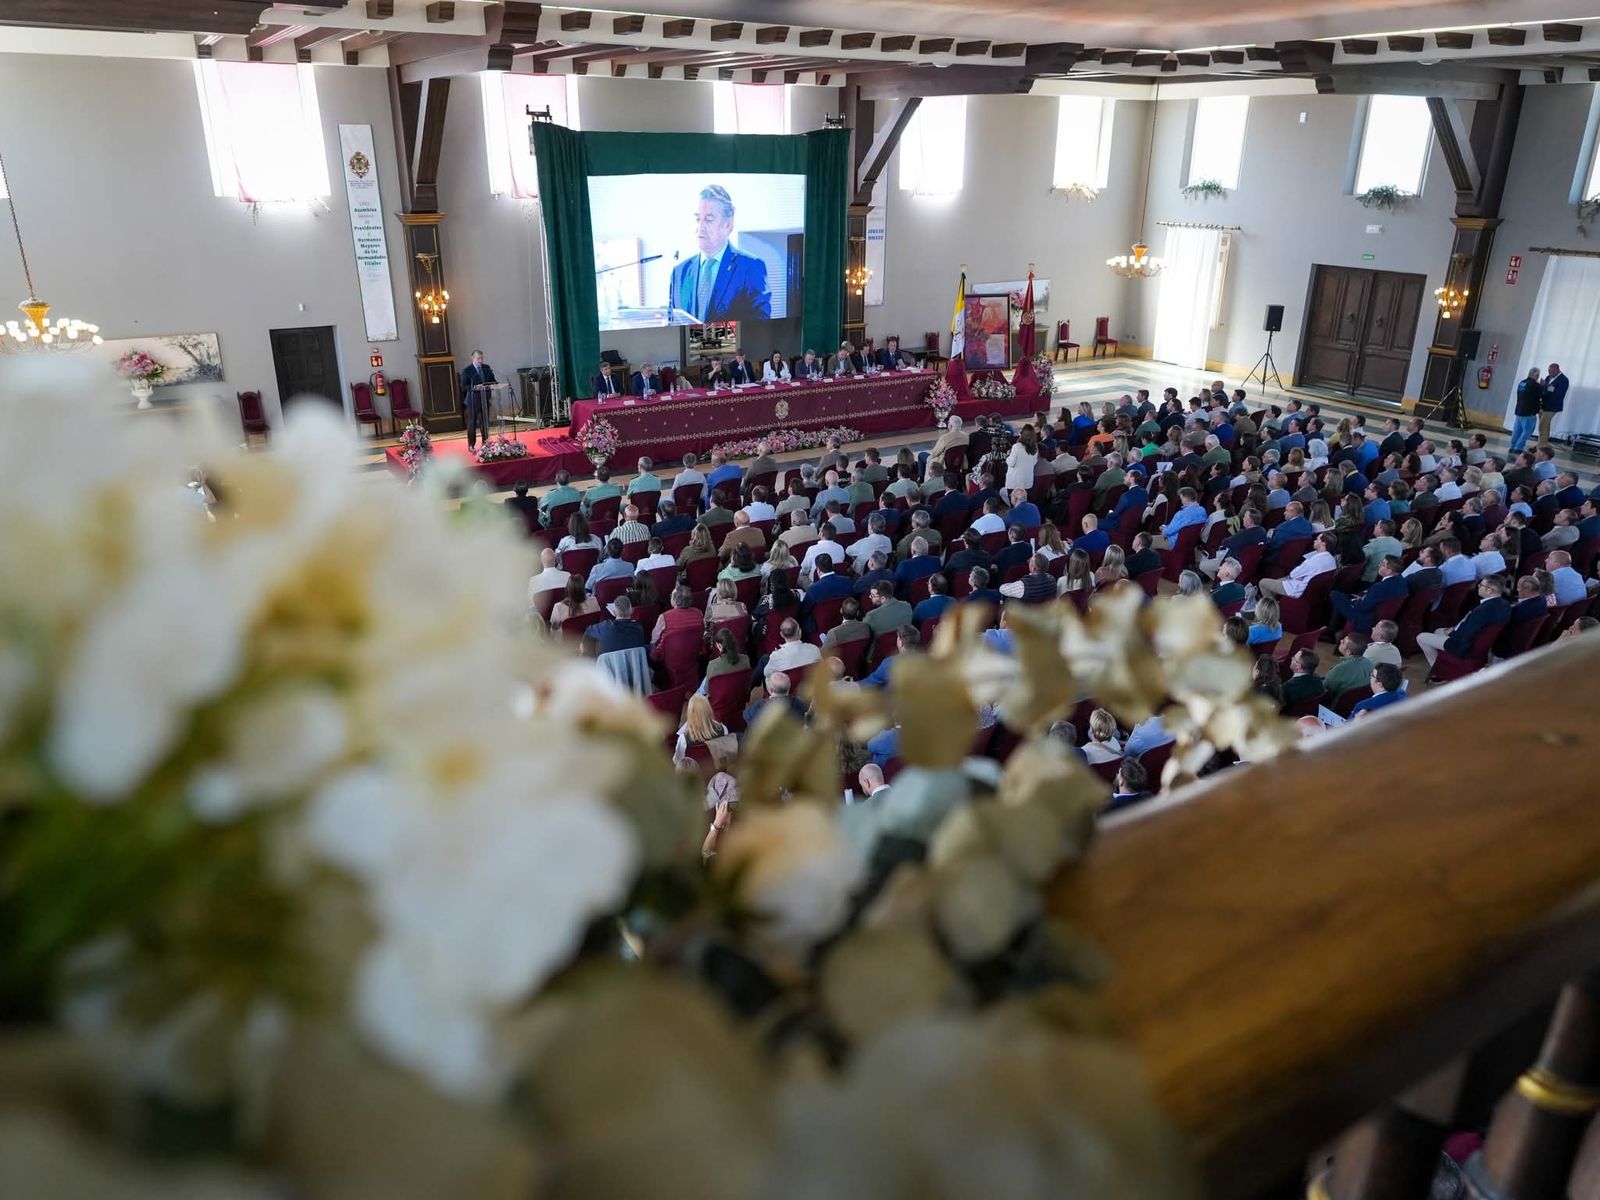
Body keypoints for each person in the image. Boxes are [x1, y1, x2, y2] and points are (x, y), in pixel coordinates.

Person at [669, 184, 772, 322]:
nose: (700, 227)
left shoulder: (751, 268)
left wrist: (705, 339)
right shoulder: (679, 272)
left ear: (728, 224)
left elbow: (759, 327)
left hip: (735, 345)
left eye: (709, 220)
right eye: (698, 219)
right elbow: (672, 324)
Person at [1417, 574, 1512, 669]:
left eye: (1481, 585)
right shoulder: (1506, 605)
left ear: (1489, 590)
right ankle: (1442, 661)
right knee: (1438, 631)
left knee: (1421, 637)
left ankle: (1439, 669)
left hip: (1464, 646)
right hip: (1479, 644)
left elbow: (1466, 634)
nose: (1478, 587)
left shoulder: (1482, 611)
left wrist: (1452, 633)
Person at [1259, 532, 1338, 600]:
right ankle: (1276, 604)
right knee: (1277, 580)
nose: (1314, 540)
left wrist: (1298, 573)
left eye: (1317, 539)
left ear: (1323, 544)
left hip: (1298, 589)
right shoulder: (1332, 560)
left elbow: (1293, 574)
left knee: (1263, 583)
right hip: (1307, 587)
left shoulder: (1313, 561)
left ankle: (1270, 610)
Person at [673, 694, 733, 765]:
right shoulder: (723, 729)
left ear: (690, 714)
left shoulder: (684, 739)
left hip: (695, 774)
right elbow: (726, 755)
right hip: (717, 770)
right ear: (709, 710)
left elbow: (678, 761)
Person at [764, 618, 822, 683]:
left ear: (782, 635)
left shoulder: (776, 656)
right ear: (799, 631)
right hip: (812, 689)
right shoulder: (814, 649)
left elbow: (766, 673)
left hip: (788, 691)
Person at [459, 349, 496, 452]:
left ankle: (486, 443)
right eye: (478, 358)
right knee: (472, 423)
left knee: (485, 423)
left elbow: (492, 380)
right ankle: (471, 445)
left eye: (481, 358)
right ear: (473, 358)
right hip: (472, 401)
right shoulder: (467, 370)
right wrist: (475, 387)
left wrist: (493, 384)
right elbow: (463, 386)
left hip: (485, 400)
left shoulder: (486, 368)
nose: (480, 361)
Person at [1540, 362, 1569, 445]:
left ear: (1557, 370)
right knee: (1544, 426)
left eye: (1551, 372)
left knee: (1543, 426)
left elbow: (1558, 394)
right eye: (1549, 371)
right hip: (1544, 405)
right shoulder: (1548, 377)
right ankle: (1542, 444)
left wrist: (1546, 386)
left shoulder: (1563, 380)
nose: (1550, 373)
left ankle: (1541, 446)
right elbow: (1545, 390)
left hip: (1552, 406)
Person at [1004, 427, 1038, 492]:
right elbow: (1034, 463)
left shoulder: (1016, 446)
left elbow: (1011, 463)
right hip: (1027, 482)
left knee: (1014, 500)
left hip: (1015, 483)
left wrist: (1008, 455)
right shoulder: (1035, 447)